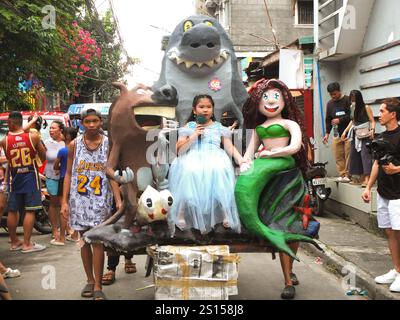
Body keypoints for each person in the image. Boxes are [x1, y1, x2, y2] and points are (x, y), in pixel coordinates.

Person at [237, 78, 311, 299]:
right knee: (280, 226)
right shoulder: (260, 129)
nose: (270, 101)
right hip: (267, 174)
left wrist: (273, 153)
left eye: (275, 97)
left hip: (287, 176)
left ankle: (289, 269)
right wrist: (245, 163)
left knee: (293, 227)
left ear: (285, 100)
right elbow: (250, 152)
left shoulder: (291, 124)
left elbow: (294, 146)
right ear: (258, 103)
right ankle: (288, 278)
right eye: (265, 97)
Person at [60, 108, 122, 300]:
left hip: (100, 200)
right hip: (79, 200)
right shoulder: (74, 145)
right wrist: (64, 201)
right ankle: (89, 279)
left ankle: (97, 285)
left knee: (97, 242)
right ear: (82, 123)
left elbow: (110, 173)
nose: (92, 125)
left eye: (95, 121)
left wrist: (119, 200)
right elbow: (68, 173)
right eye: (87, 121)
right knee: (83, 242)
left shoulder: (108, 144)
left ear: (100, 122)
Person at [168, 94, 243, 235]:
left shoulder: (219, 127)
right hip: (192, 155)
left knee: (218, 170)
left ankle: (226, 212)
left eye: (209, 107)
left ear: (213, 110)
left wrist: (241, 159)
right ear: (194, 110)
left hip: (215, 155)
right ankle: (181, 213)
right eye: (201, 107)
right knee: (189, 170)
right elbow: (179, 149)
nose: (205, 110)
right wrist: (194, 135)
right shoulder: (189, 126)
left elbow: (229, 147)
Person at [362, 98, 400, 292]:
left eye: (383, 110)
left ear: (393, 114)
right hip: (384, 192)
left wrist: (398, 169)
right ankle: (397, 270)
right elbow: (376, 163)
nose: (379, 114)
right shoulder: (382, 136)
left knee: (399, 233)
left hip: (399, 194)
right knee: (389, 232)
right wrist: (368, 187)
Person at [0, 111, 47, 253]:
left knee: (13, 211)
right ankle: (27, 244)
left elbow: (16, 136)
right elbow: (43, 155)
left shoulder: (5, 141)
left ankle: (14, 242)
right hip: (30, 176)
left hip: (14, 178)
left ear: (11, 123)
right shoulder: (33, 137)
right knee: (30, 210)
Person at [341, 90, 375, 186]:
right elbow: (352, 121)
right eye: (351, 98)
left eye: (354, 98)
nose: (352, 100)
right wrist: (345, 131)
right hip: (355, 133)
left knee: (365, 155)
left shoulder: (366, 107)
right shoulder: (352, 107)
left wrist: (372, 130)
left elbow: (372, 121)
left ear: (359, 98)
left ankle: (367, 178)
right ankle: (358, 177)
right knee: (354, 155)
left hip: (366, 134)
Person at [53, 127, 79, 244]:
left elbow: (55, 165)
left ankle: (62, 237)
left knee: (64, 207)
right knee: (75, 207)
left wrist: (57, 169)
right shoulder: (78, 149)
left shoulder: (63, 151)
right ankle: (74, 234)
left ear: (68, 136)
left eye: (63, 133)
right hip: (76, 180)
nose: (61, 135)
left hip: (64, 179)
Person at [322, 82, 351, 182]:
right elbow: (328, 119)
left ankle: (348, 175)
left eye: (334, 93)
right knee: (338, 154)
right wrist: (326, 134)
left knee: (348, 153)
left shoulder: (347, 100)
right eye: (331, 94)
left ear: (339, 91)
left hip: (348, 133)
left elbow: (352, 116)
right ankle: (342, 174)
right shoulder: (330, 104)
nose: (333, 96)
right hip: (336, 133)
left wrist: (340, 120)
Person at [44, 121, 65, 243]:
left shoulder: (66, 143)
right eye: (50, 128)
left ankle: (66, 228)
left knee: (64, 203)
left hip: (64, 177)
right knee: (54, 202)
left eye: (53, 128)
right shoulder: (47, 143)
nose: (51, 130)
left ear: (60, 130)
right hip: (51, 176)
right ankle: (54, 230)